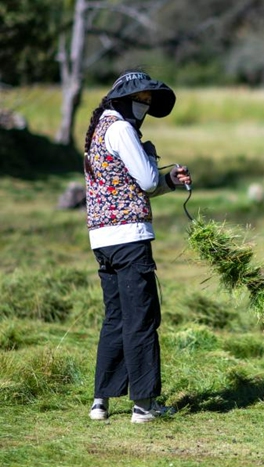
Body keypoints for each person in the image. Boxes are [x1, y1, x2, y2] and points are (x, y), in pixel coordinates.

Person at [83, 70, 191, 423]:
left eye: (148, 101)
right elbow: (145, 180)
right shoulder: (122, 129)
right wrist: (151, 158)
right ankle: (144, 405)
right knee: (141, 320)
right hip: (129, 237)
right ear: (124, 99)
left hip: (102, 238)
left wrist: (169, 180)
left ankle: (101, 401)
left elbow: (130, 184)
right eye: (141, 100)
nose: (144, 106)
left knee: (115, 318)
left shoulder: (100, 128)